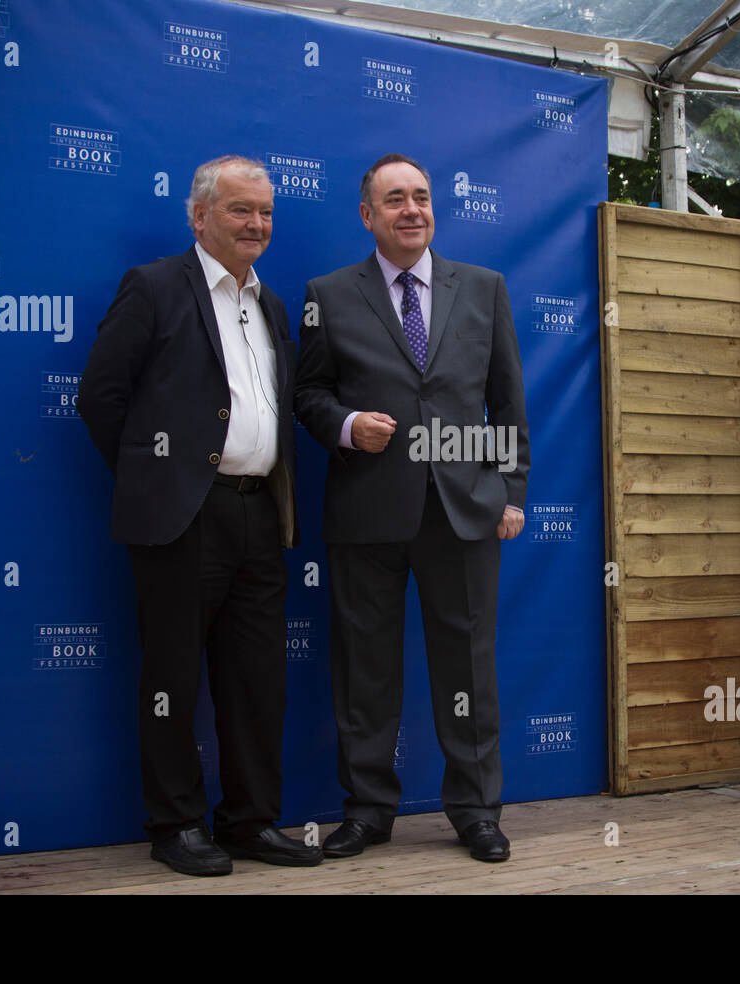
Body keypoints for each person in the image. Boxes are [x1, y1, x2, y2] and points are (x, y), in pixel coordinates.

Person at [78, 155, 320, 875]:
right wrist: (160, 484)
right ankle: (176, 824)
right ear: (200, 217)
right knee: (171, 681)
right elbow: (100, 398)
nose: (257, 224)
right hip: (183, 520)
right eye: (241, 210)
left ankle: (249, 822)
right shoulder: (154, 287)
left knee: (256, 683)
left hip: (259, 519)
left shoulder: (271, 305)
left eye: (266, 212)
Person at [295, 153, 530, 862]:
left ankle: (477, 810)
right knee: (365, 670)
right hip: (367, 511)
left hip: (464, 511)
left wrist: (511, 493)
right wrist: (345, 426)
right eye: (394, 199)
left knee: (469, 667)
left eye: (422, 197)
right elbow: (307, 395)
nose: (412, 210)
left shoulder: (484, 289)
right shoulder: (328, 294)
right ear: (367, 215)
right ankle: (367, 810)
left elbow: (508, 403)